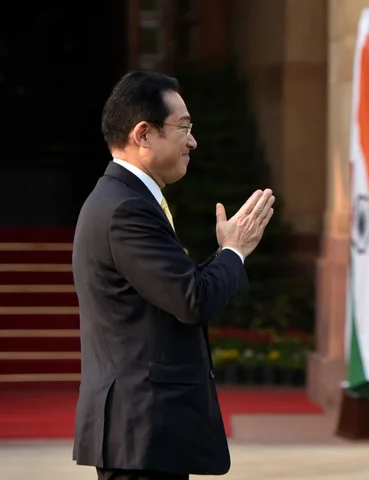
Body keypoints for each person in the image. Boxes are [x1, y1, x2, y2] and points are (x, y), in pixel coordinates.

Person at [71, 71, 275, 480]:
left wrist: (226, 254)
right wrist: (234, 251)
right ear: (143, 134)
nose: (193, 141)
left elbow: (175, 291)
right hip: (141, 432)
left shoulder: (127, 198)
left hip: (146, 433)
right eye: (184, 127)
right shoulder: (126, 208)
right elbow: (191, 300)